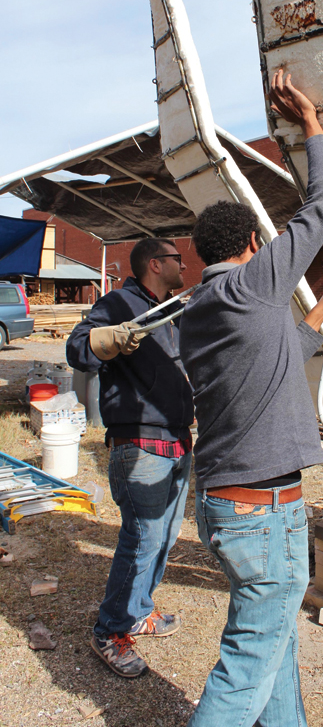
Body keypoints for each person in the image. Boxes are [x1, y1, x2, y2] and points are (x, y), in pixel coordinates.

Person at [180, 69, 323, 727]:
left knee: (274, 649)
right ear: (254, 245)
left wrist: (315, 319)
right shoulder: (252, 285)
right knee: (250, 658)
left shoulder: (204, 307)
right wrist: (312, 125)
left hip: (229, 503)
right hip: (262, 511)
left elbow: (265, 364)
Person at [66, 238, 194, 678]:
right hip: (139, 445)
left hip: (176, 442)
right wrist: (110, 340)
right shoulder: (121, 302)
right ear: (156, 264)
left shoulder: (169, 310)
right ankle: (109, 630)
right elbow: (77, 348)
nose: (185, 264)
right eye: (178, 258)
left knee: (164, 538)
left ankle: (138, 610)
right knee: (142, 540)